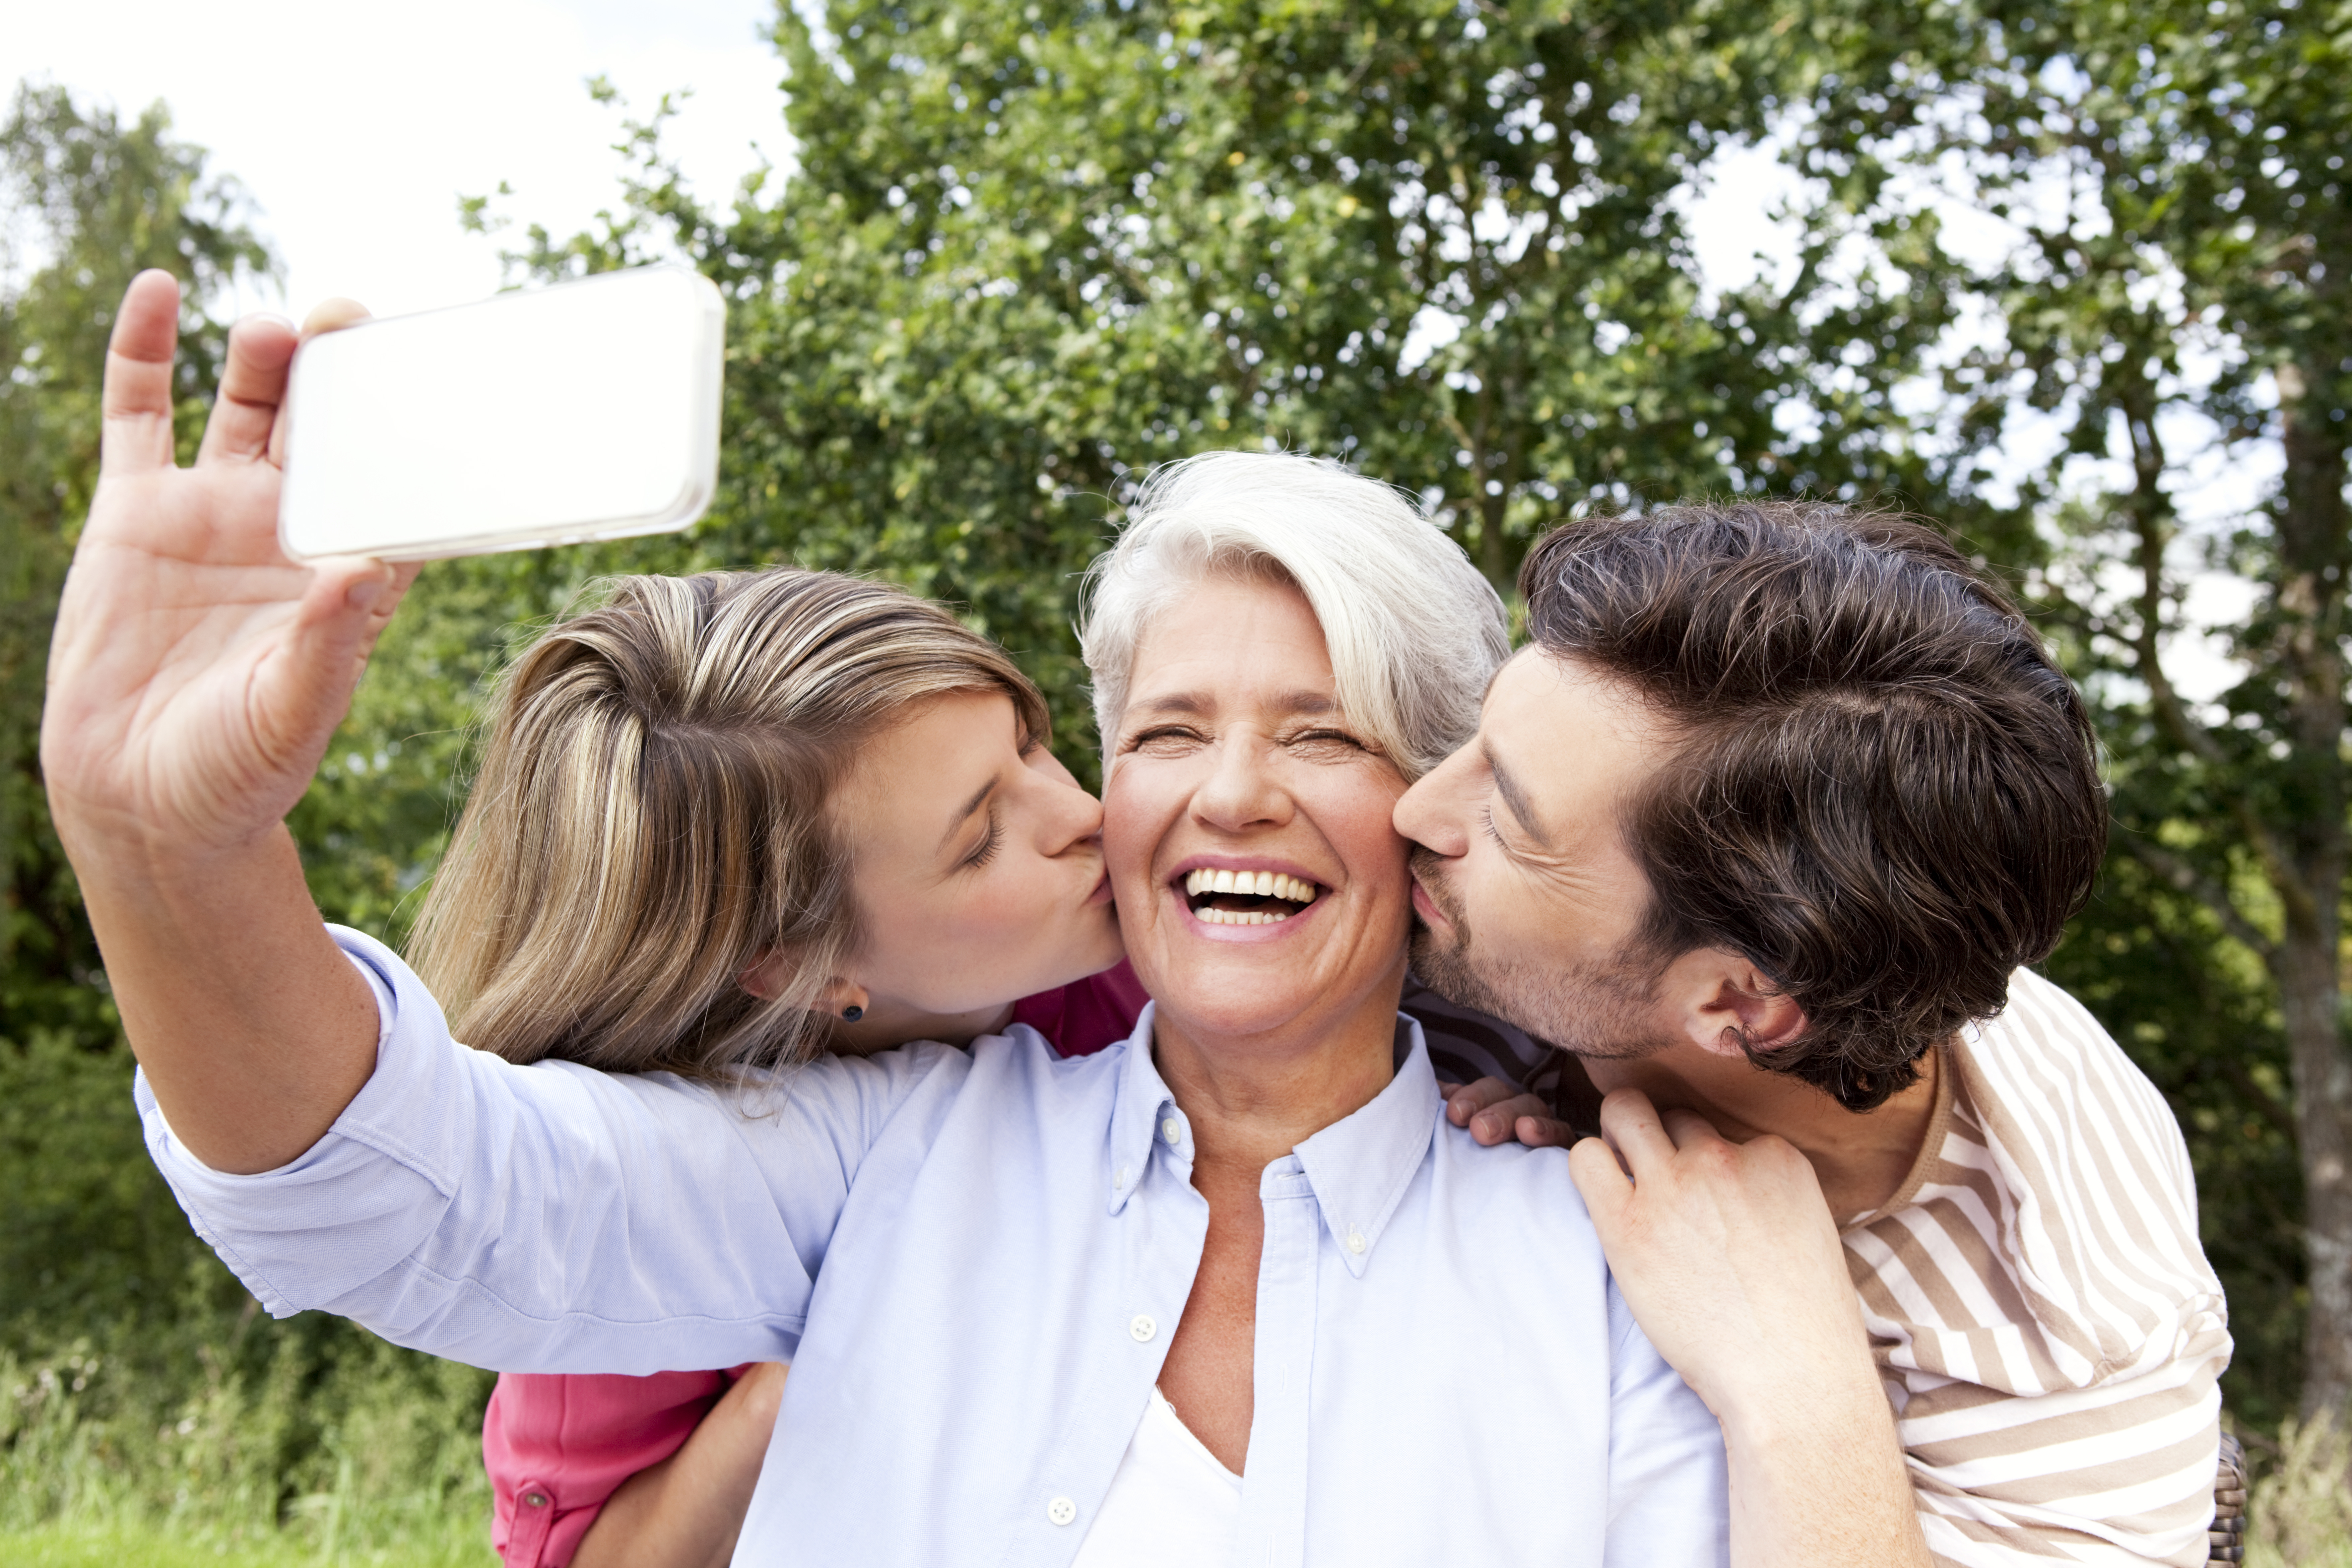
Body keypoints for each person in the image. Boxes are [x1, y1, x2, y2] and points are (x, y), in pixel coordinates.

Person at [45, 272, 1729, 1566]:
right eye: (1159, 732)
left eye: (1322, 731)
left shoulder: (1619, 1242)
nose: (1225, 796)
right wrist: (166, 849)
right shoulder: (878, 1160)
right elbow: (389, 1197)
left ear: (1434, 803)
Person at [1403, 502, 2231, 1568]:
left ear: (1737, 1005)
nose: (1415, 809)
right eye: (1478, 735)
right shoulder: (1438, 919)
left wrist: (1793, 1377)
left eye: (1510, 822)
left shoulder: (2069, 1324)